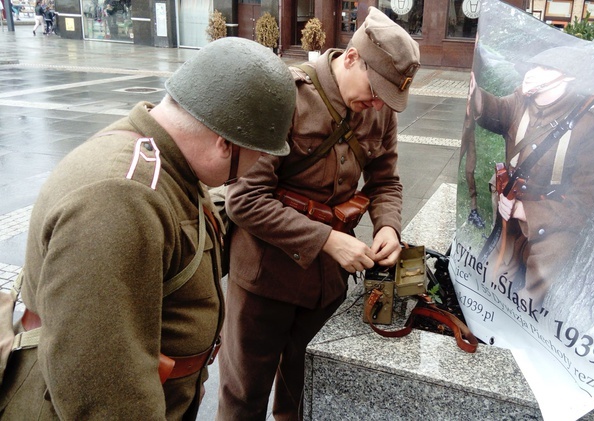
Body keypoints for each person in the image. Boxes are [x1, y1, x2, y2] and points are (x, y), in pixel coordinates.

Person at [0, 38, 296, 420]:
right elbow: (103, 390)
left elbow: (186, 237)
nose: (257, 167)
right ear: (225, 143)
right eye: (258, 154)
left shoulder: (160, 158)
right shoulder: (119, 199)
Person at [217, 7, 420, 420]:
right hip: (264, 278)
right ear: (350, 57)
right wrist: (327, 239)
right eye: (375, 87)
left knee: (306, 398)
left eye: (386, 95)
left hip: (325, 284)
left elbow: (385, 182)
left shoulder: (378, 109)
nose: (377, 102)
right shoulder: (285, 94)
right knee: (243, 400)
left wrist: (389, 228)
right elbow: (245, 199)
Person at [471, 46, 594, 308]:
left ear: (568, 77)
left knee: (537, 285)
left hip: (553, 220)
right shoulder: (522, 100)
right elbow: (497, 110)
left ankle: (521, 323)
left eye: (546, 69)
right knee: (494, 275)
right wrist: (474, 94)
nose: (533, 73)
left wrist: (526, 211)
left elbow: (586, 200)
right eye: (534, 66)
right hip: (508, 209)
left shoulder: (593, 122)